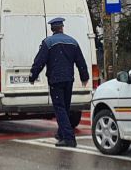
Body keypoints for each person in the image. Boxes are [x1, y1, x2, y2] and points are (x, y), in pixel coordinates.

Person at [30, 17, 89, 148]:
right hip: (69, 79)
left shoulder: (48, 42)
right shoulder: (73, 42)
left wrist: (32, 76)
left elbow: (39, 61)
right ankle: (61, 133)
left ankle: (69, 138)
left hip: (55, 80)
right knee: (65, 107)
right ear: (62, 28)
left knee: (60, 108)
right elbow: (80, 61)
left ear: (52, 29)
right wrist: (84, 77)